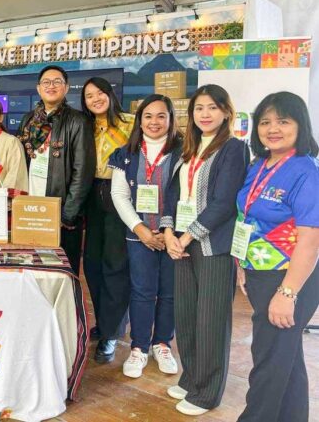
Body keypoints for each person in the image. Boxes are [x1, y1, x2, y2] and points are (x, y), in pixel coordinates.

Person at [161, 84, 249, 416]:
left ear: (226, 111)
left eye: (212, 107)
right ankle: (192, 378)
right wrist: (169, 231)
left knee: (211, 321)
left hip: (212, 246)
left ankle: (207, 392)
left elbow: (225, 202)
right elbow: (172, 194)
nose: (205, 114)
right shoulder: (190, 148)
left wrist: (186, 237)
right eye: (199, 108)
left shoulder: (233, 149)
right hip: (181, 244)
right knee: (186, 316)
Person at [235, 92, 319, 422]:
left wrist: (287, 294)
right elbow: (248, 220)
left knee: (268, 361)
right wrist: (242, 265)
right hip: (259, 272)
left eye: (283, 121)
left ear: (301, 125)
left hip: (290, 277)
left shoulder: (306, 171)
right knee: (286, 356)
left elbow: (311, 241)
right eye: (266, 121)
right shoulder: (260, 165)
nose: (273, 128)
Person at [109, 94, 182, 379]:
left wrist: (168, 231)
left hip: (175, 236)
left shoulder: (184, 151)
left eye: (161, 116)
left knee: (169, 292)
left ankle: (162, 343)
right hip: (138, 235)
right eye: (148, 116)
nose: (154, 121)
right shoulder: (125, 153)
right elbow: (119, 195)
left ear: (171, 119)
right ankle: (139, 347)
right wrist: (140, 229)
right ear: (140, 120)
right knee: (141, 291)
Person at [17, 65, 95, 274]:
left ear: (66, 88)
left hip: (60, 213)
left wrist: (68, 215)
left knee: (61, 273)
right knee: (31, 270)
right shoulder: (28, 120)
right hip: (30, 209)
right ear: (38, 88)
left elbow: (83, 171)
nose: (51, 86)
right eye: (46, 82)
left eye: (57, 82)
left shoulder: (78, 121)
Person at [81, 77, 135, 363]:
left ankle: (112, 333)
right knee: (92, 263)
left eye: (100, 93)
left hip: (119, 193)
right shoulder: (85, 125)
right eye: (89, 96)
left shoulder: (129, 123)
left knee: (115, 264)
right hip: (91, 194)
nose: (96, 99)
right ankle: (104, 321)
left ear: (110, 94)